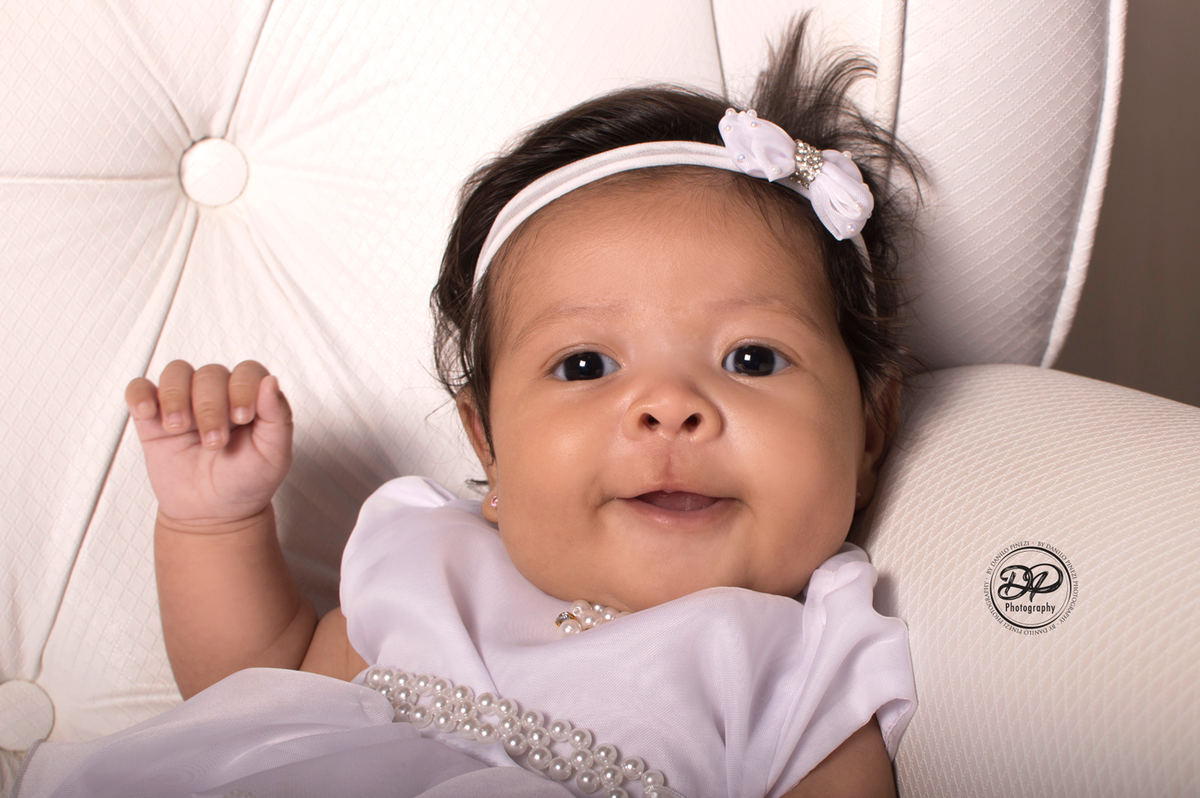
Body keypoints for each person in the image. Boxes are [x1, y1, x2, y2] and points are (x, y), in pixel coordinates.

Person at [16, 16, 920, 798]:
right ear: (488, 446)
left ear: (870, 430)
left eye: (752, 358)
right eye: (585, 364)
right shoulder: (432, 568)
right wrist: (215, 522)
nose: (668, 408)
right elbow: (251, 699)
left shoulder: (805, 665)